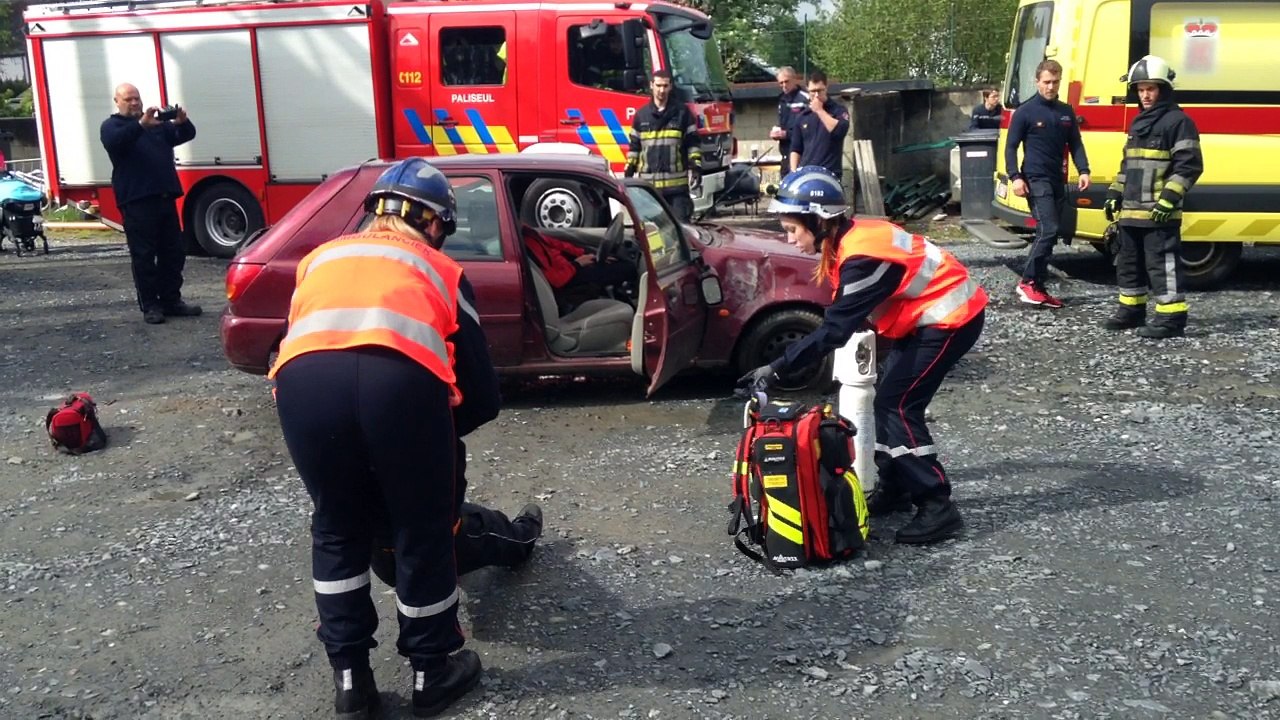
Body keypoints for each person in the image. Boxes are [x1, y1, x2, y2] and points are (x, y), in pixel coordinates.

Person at [270, 158, 540, 719]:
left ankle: (350, 684)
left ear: (373, 212)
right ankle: (431, 669)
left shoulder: (319, 258)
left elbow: (299, 337)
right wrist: (430, 444)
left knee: (337, 525)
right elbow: (482, 394)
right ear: (436, 222)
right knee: (422, 529)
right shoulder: (437, 268)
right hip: (400, 389)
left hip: (304, 388)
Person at [736, 167, 987, 545]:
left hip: (950, 319)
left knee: (896, 406)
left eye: (792, 229)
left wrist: (777, 368)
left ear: (820, 221)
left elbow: (836, 328)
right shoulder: (851, 240)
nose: (789, 239)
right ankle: (900, 486)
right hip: (927, 319)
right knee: (890, 402)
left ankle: (937, 505)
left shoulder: (862, 257)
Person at [1102, 55, 1204, 339]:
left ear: (1164, 90)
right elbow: (1128, 165)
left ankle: (1171, 318)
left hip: (1160, 213)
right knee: (1128, 264)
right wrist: (1114, 193)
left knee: (1162, 265)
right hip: (1132, 212)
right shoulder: (1138, 123)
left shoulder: (1178, 122)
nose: (1145, 95)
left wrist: (1169, 199)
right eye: (1141, 89)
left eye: (1151, 89)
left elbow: (1190, 164)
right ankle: (1131, 310)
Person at [100, 83, 200, 325]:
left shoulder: (155, 125)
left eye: (137, 98)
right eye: (128, 99)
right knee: (144, 256)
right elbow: (116, 144)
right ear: (117, 101)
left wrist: (182, 122)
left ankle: (171, 300)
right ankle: (151, 305)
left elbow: (185, 135)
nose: (134, 103)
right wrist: (140, 125)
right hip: (136, 201)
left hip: (164, 196)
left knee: (173, 253)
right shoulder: (112, 126)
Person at [1004, 59, 1090, 309]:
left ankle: (1038, 286)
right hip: (1034, 179)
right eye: (1046, 82)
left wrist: (1083, 170)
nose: (1051, 87)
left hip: (1056, 180)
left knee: (1051, 234)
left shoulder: (1065, 111)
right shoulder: (1025, 111)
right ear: (1037, 82)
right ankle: (1028, 282)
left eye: (1055, 82)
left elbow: (1075, 144)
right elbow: (1011, 147)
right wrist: (1015, 177)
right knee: (1048, 229)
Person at [625, 69, 701, 222]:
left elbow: (693, 143)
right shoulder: (641, 116)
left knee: (682, 232)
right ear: (651, 85)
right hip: (649, 190)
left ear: (670, 87)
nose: (662, 90)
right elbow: (634, 147)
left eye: (665, 86)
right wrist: (629, 169)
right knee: (653, 236)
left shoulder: (682, 113)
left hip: (677, 190)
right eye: (658, 85)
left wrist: (696, 166)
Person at [522, 225, 635, 312]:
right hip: (567, 280)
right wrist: (577, 264)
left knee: (618, 263)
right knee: (627, 268)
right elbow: (556, 281)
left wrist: (587, 254)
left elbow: (557, 244)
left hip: (568, 268)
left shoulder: (527, 232)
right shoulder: (525, 247)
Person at [788, 71, 851, 179]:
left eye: (819, 90)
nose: (816, 95)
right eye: (813, 91)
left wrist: (820, 111)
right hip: (806, 174)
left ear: (826, 87)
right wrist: (793, 172)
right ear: (807, 89)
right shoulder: (803, 116)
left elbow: (839, 131)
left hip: (829, 175)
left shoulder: (838, 110)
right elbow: (795, 148)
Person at [771, 66, 809, 175]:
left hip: (802, 153)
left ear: (795, 79)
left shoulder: (805, 98)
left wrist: (786, 134)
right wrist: (776, 133)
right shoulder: (782, 100)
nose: (784, 85)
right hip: (785, 152)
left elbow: (809, 130)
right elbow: (783, 124)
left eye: (786, 81)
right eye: (780, 83)